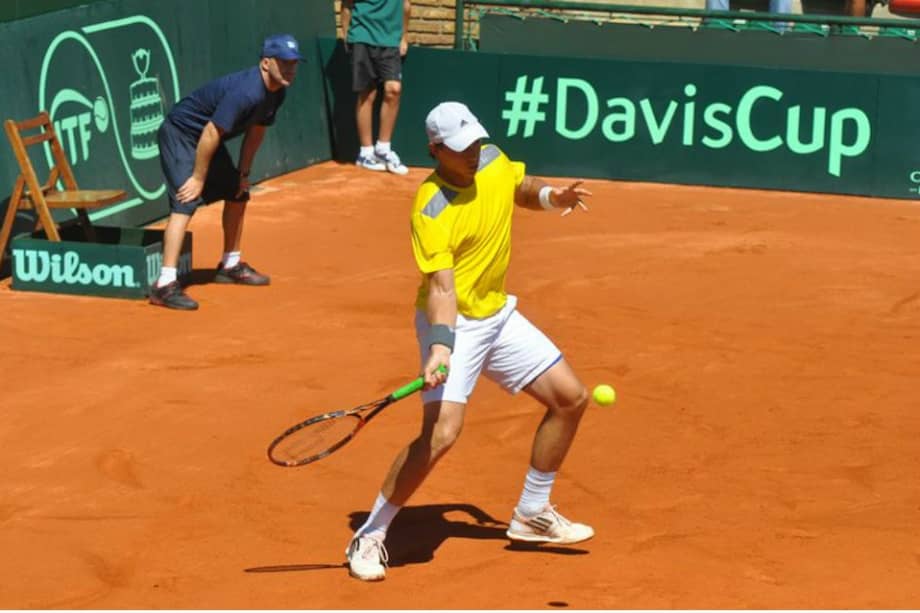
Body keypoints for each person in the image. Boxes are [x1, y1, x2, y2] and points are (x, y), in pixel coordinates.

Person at [344, 101, 595, 582]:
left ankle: (531, 514)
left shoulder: (492, 158)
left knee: (570, 399)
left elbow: (518, 187)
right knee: (440, 434)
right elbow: (441, 287)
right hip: (454, 322)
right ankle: (371, 533)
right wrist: (441, 346)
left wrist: (552, 197)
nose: (474, 154)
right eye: (462, 149)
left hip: (497, 313)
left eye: (477, 141)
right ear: (435, 150)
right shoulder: (431, 207)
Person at [148, 33, 301, 310]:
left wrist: (243, 174)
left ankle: (229, 264)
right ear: (266, 63)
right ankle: (164, 284)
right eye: (284, 62)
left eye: (294, 63)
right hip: (182, 135)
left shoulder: (277, 92)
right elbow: (210, 132)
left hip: (208, 138)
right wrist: (197, 177)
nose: (290, 68)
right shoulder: (247, 91)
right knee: (185, 200)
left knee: (237, 193)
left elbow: (256, 133)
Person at [341, 0, 411, 176]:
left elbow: (406, 5)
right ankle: (365, 153)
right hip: (362, 36)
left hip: (390, 41)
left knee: (393, 89)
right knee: (367, 94)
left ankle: (383, 149)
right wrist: (345, 35)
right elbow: (346, 5)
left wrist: (404, 36)